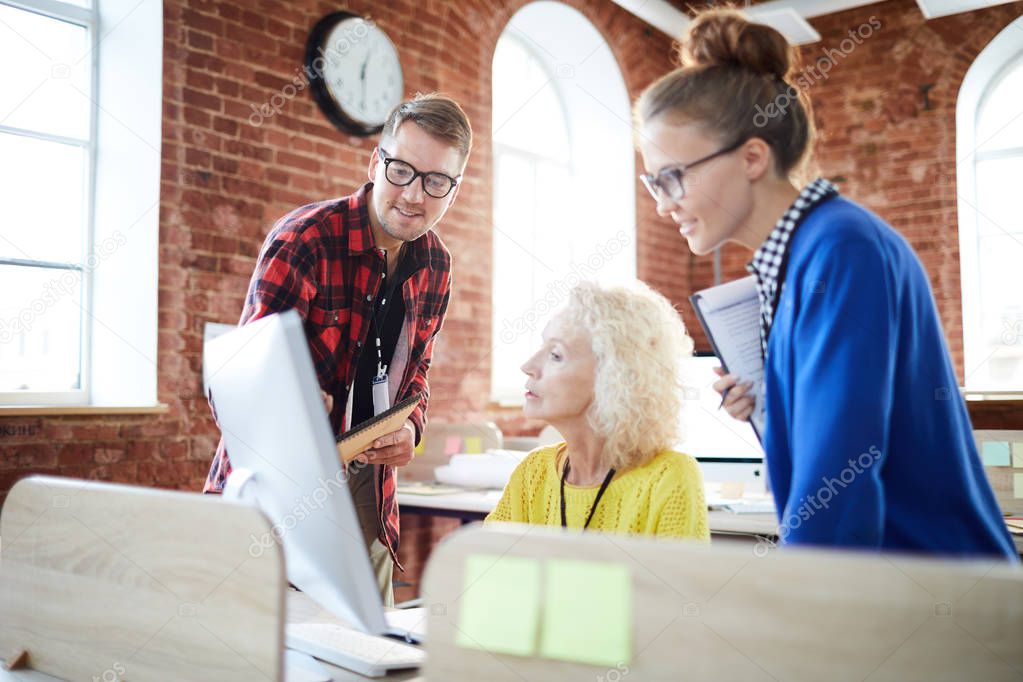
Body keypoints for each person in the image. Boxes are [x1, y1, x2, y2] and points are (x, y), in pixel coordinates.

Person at [633, 9, 1016, 560]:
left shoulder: (840, 250)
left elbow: (839, 479)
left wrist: (806, 604)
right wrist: (772, 402)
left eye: (671, 177)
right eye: (652, 183)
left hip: (927, 585)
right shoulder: (801, 256)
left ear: (752, 158)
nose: (664, 204)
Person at [203, 93, 475, 601]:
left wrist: (411, 430)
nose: (415, 195)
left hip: (368, 488)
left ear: (453, 191)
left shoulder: (437, 264)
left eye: (436, 181)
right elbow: (235, 390)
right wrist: (295, 409)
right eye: (401, 171)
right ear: (376, 163)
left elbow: (417, 373)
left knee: (367, 656)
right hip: (275, 494)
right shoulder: (304, 239)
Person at [486, 281, 709, 540]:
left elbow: (677, 581)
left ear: (614, 377)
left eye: (555, 355)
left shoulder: (669, 477)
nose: (528, 366)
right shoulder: (533, 472)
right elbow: (484, 572)